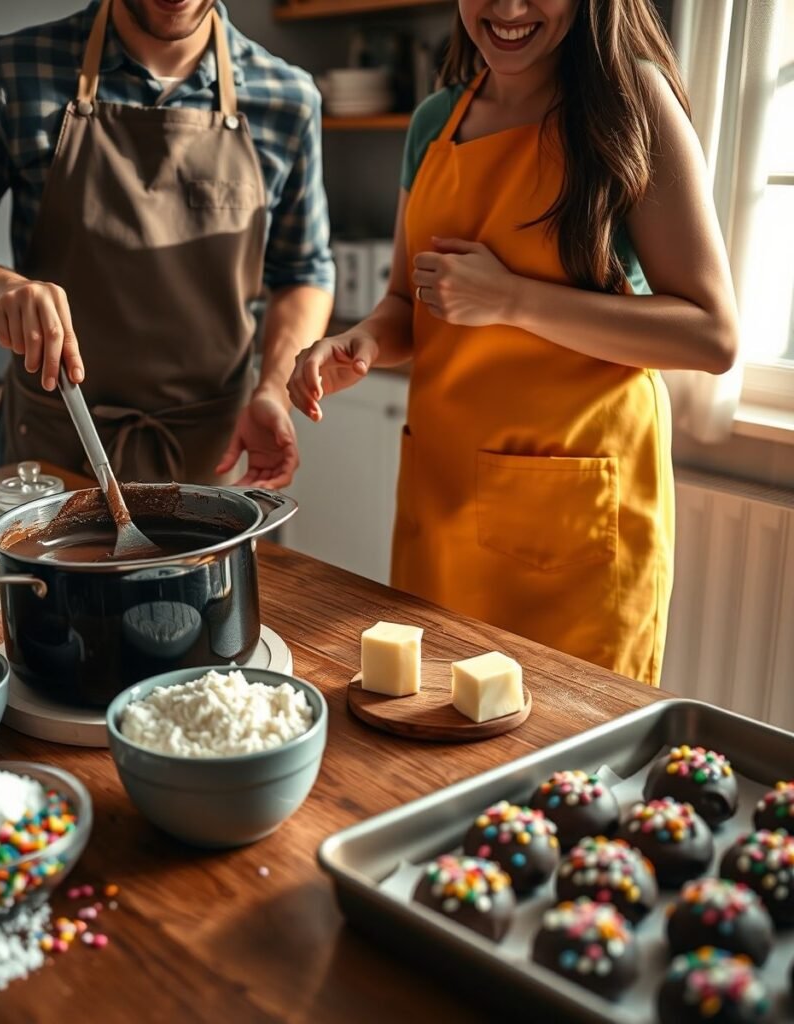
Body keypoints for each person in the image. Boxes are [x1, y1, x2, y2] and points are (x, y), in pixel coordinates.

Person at [287, 0, 739, 686]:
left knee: (562, 766)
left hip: (578, 530)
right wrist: (360, 344)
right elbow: (410, 302)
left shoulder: (631, 102)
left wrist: (513, 300)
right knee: (430, 736)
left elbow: (712, 333)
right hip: (441, 507)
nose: (507, 8)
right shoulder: (434, 121)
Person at [0, 0, 333, 488]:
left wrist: (273, 389)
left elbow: (303, 273)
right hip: (52, 456)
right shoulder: (14, 72)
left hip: (215, 460)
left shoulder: (288, 97)